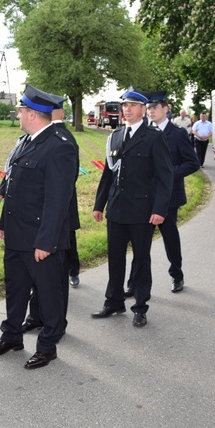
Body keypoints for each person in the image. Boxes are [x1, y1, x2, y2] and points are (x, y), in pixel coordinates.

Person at [0, 85, 76, 369]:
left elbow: (57, 201)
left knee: (48, 294)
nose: (18, 114)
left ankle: (47, 346)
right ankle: (11, 336)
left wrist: (46, 242)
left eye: (21, 110)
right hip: (17, 234)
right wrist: (3, 223)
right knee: (16, 289)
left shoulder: (58, 146)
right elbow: (13, 186)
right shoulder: (26, 141)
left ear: (33, 114)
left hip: (40, 239)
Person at [91, 87, 173, 328]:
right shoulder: (115, 136)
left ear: (143, 109)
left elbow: (164, 177)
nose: (126, 110)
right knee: (115, 258)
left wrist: (159, 209)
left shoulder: (154, 136)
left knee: (141, 260)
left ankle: (140, 306)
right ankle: (114, 300)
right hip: (116, 209)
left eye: (132, 106)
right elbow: (108, 174)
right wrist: (99, 204)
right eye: (124, 105)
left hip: (142, 211)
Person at [141, 91, 199, 293]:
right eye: (148, 109)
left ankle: (177, 275)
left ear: (165, 109)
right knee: (141, 241)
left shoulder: (177, 134)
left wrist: (168, 174)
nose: (150, 112)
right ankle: (135, 282)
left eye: (154, 108)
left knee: (170, 238)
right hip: (146, 196)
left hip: (169, 197)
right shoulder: (145, 132)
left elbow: (192, 163)